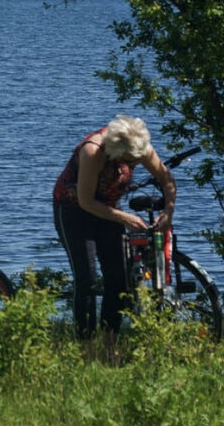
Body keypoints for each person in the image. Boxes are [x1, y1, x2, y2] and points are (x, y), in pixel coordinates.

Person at [53, 114, 177, 339]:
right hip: (74, 211)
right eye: (129, 162)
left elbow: (166, 178)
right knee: (87, 279)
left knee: (118, 278)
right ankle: (86, 345)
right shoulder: (92, 152)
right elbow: (86, 202)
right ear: (116, 153)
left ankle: (110, 341)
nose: (134, 165)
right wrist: (125, 218)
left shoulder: (138, 147)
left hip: (108, 210)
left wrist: (168, 211)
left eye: (137, 161)